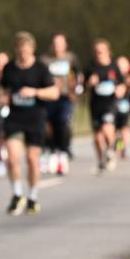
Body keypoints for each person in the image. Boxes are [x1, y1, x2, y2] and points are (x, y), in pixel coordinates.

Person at [0, 32, 59, 215]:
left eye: (26, 51)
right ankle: (18, 194)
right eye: (19, 51)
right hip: (15, 118)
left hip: (35, 118)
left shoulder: (41, 68)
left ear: (32, 49)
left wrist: (34, 92)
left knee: (32, 160)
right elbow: (3, 89)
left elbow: (54, 93)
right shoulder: (9, 68)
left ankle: (32, 197)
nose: (23, 55)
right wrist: (4, 98)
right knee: (12, 158)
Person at [41, 34, 82, 176]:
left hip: (65, 97)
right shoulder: (45, 60)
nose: (57, 46)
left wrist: (75, 91)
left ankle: (63, 152)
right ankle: (52, 151)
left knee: (63, 123)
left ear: (65, 45)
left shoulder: (71, 58)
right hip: (49, 97)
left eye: (60, 43)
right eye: (55, 43)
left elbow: (78, 76)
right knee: (48, 127)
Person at [84, 39, 123, 173]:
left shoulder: (113, 66)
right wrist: (89, 83)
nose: (99, 54)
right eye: (96, 51)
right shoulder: (90, 67)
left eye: (101, 51)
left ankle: (112, 151)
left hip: (110, 103)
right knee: (97, 137)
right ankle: (101, 160)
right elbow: (83, 87)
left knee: (107, 128)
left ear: (108, 52)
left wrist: (120, 90)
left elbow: (122, 83)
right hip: (95, 104)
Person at [114, 56, 130, 159]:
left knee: (124, 128)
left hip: (125, 106)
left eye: (123, 65)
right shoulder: (113, 77)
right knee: (116, 130)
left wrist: (128, 85)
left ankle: (123, 147)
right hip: (114, 106)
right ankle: (118, 147)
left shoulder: (129, 78)